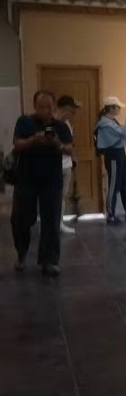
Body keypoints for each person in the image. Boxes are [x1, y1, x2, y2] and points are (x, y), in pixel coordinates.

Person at [11, 90, 73, 277]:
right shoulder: (25, 122)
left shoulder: (60, 126)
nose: (45, 110)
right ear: (34, 106)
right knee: (21, 219)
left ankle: (49, 260)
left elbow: (69, 149)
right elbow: (17, 144)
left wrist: (56, 143)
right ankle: (22, 253)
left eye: (48, 107)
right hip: (26, 178)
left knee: (51, 220)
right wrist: (33, 140)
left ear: (54, 107)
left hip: (52, 179)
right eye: (41, 107)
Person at [95, 96, 126, 224]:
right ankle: (111, 214)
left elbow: (122, 134)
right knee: (114, 185)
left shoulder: (111, 121)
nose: (119, 110)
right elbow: (124, 133)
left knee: (124, 184)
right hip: (113, 155)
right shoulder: (105, 123)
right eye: (118, 107)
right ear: (111, 108)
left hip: (119, 153)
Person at [55, 95, 82, 234]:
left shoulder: (68, 124)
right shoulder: (52, 123)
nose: (74, 113)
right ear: (65, 108)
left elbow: (71, 144)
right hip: (53, 166)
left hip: (66, 165)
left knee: (62, 196)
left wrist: (73, 157)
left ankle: (59, 222)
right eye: (72, 110)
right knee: (53, 197)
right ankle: (52, 223)